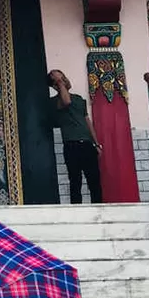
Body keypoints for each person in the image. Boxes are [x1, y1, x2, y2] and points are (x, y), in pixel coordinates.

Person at [48, 69, 102, 205]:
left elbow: (87, 121)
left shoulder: (78, 99)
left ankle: (99, 208)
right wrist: (59, 82)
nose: (64, 80)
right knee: (75, 181)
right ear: (55, 85)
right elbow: (66, 102)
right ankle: (77, 210)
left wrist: (96, 143)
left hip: (87, 145)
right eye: (59, 80)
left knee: (94, 180)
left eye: (64, 77)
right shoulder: (54, 102)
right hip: (71, 146)